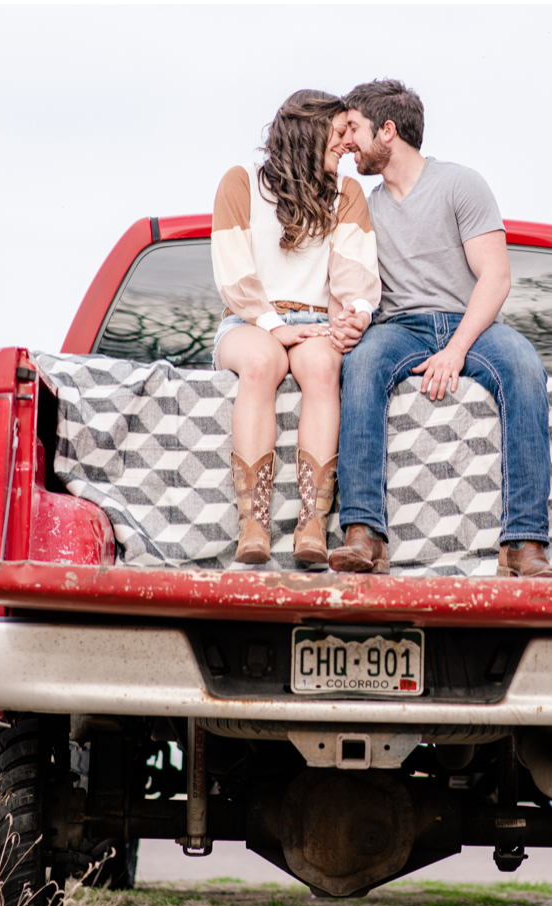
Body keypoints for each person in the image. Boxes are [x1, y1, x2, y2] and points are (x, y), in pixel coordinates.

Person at [326, 79, 552, 578]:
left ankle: (524, 543)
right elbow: (346, 281)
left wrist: (455, 350)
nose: (348, 143)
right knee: (362, 363)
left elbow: (495, 277)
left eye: (355, 129)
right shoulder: (364, 207)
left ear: (387, 131)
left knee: (524, 366)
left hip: (470, 322)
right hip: (398, 327)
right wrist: (344, 320)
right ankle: (363, 534)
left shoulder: (460, 183)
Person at [211, 89, 381, 565]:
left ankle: (312, 525)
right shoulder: (241, 182)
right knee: (261, 361)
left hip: (315, 321)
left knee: (324, 368)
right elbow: (233, 270)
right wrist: (271, 324)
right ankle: (253, 525)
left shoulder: (346, 193)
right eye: (340, 132)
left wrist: (356, 314)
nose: (348, 143)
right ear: (310, 129)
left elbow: (354, 270)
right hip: (247, 318)